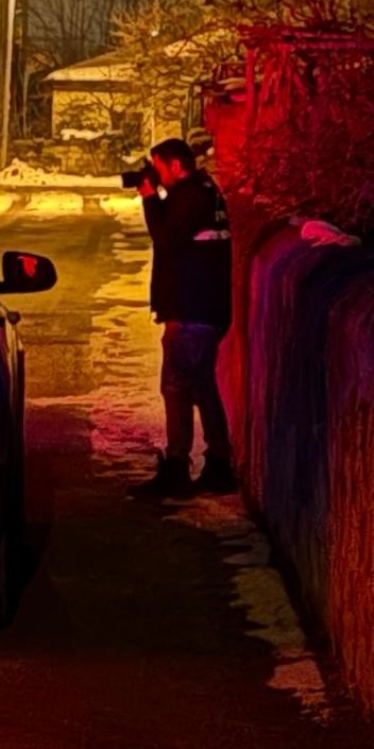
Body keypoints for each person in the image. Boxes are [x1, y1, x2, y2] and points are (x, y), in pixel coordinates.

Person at [129, 137, 237, 499]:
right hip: (204, 308)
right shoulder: (206, 194)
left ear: (175, 165)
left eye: (158, 169)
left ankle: (178, 466)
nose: (156, 177)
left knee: (177, 387)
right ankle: (219, 462)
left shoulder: (191, 197)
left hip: (191, 309)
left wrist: (148, 198)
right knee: (201, 386)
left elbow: (166, 239)